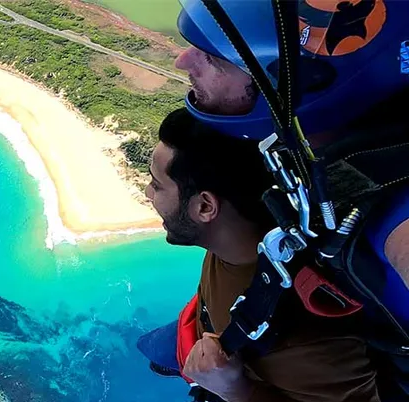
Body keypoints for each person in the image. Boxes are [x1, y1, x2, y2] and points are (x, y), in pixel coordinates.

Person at [138, 108, 383, 402]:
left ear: (205, 208)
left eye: (156, 184)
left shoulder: (307, 336)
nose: (148, 193)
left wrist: (238, 390)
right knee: (147, 347)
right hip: (204, 330)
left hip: (231, 398)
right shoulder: (249, 232)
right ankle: (172, 366)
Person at [171, 0, 409, 334]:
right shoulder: (337, 157)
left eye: (212, 58)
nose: (182, 60)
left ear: (302, 83)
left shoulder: (398, 216)